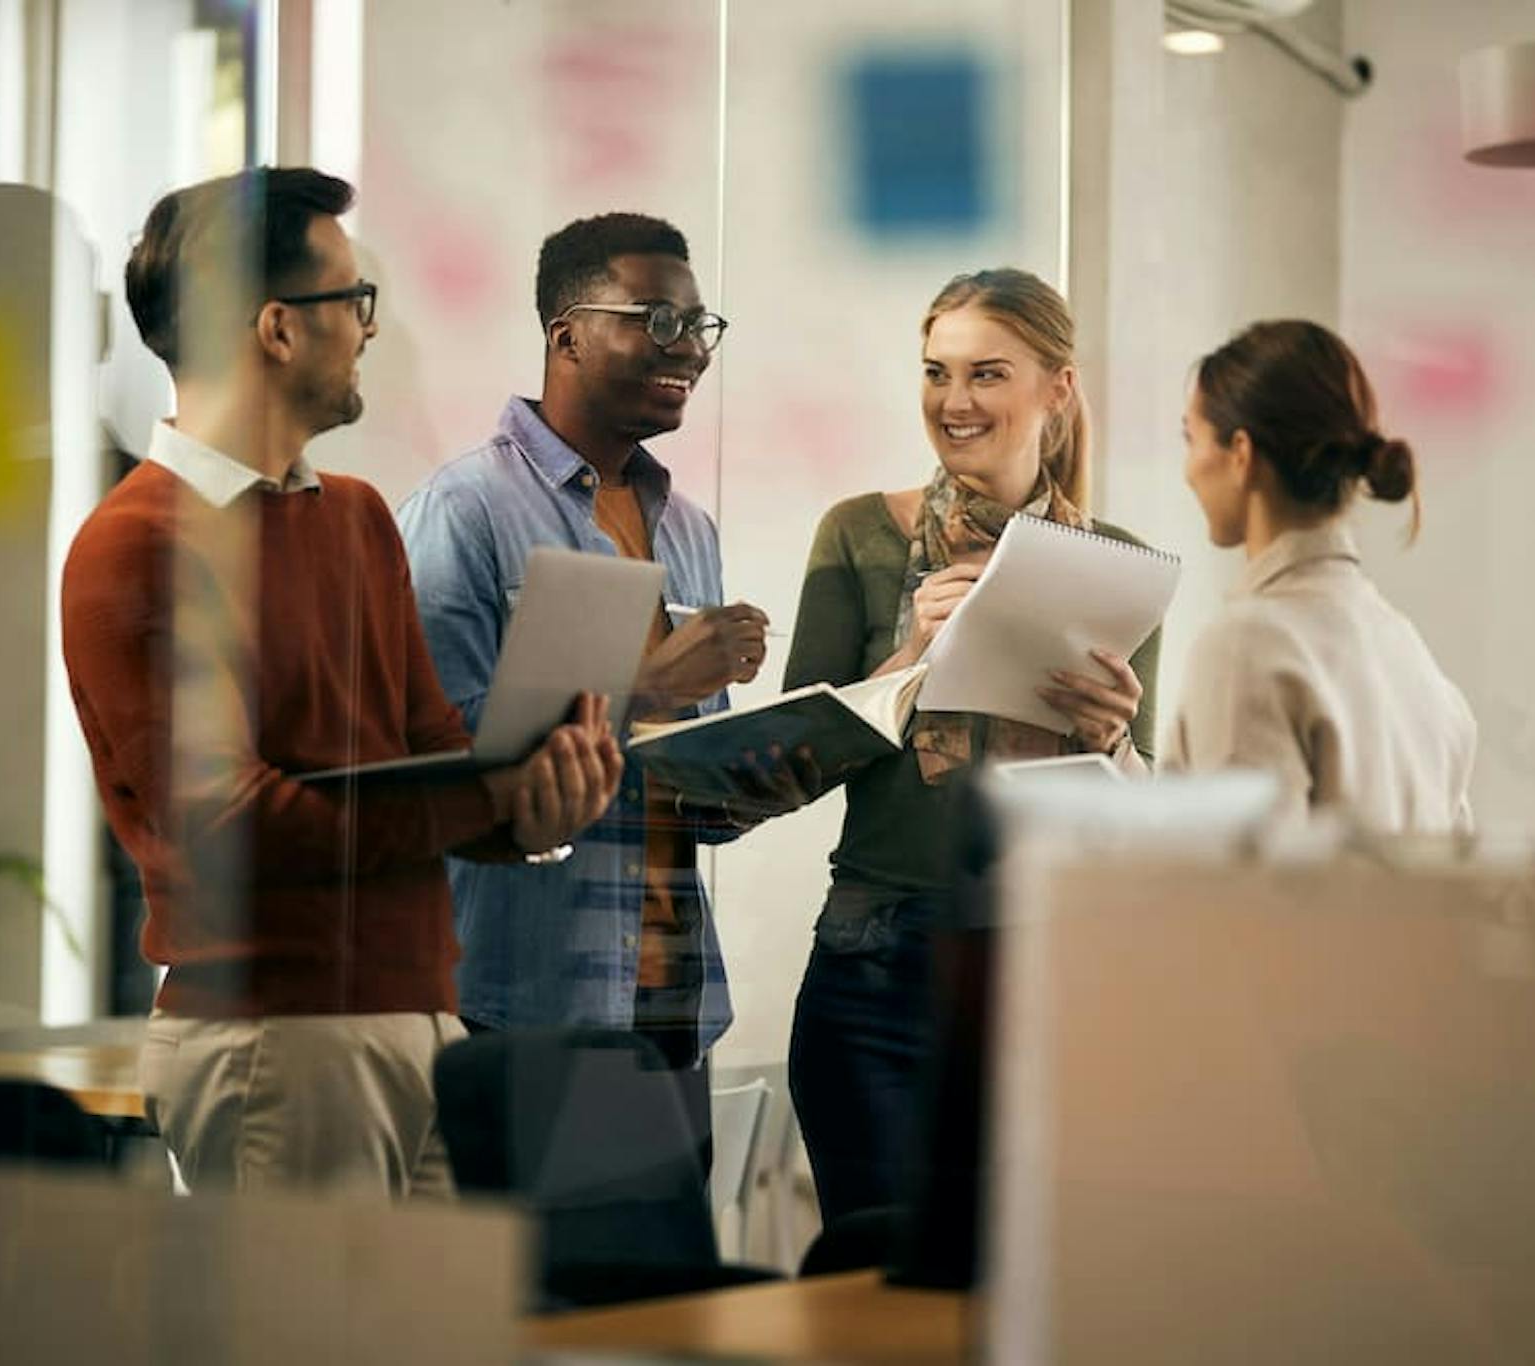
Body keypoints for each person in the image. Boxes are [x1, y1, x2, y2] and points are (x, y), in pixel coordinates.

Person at [60, 167, 620, 1196]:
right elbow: (229, 821)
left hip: (419, 1020)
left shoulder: (357, 516)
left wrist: (536, 804)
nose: (368, 328)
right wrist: (480, 791)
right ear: (275, 328)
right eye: (351, 300)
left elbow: (430, 759)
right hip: (278, 1033)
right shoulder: (135, 544)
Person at [396, 212, 809, 1159]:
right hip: (522, 999)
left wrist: (765, 776)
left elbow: (679, 782)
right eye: (658, 322)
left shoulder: (688, 527)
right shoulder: (463, 511)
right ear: (566, 333)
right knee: (526, 1300)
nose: (690, 352)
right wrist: (648, 683)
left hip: (670, 1000)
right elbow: (443, 766)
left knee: (658, 1298)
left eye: (699, 327)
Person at [782, 268, 1164, 1225]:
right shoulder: (859, 536)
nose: (954, 403)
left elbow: (1145, 815)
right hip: (871, 968)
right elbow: (789, 763)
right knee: (870, 1294)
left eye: (987, 374)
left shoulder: (1115, 567)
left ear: (1057, 389)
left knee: (1012, 1300)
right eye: (936, 373)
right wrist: (909, 660)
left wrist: (1111, 742)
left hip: (1042, 969)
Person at [1166, 318, 1475, 831]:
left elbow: (1245, 899)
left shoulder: (1245, 646)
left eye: (1190, 438)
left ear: (1241, 455)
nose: (1188, 468)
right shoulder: (1409, 651)